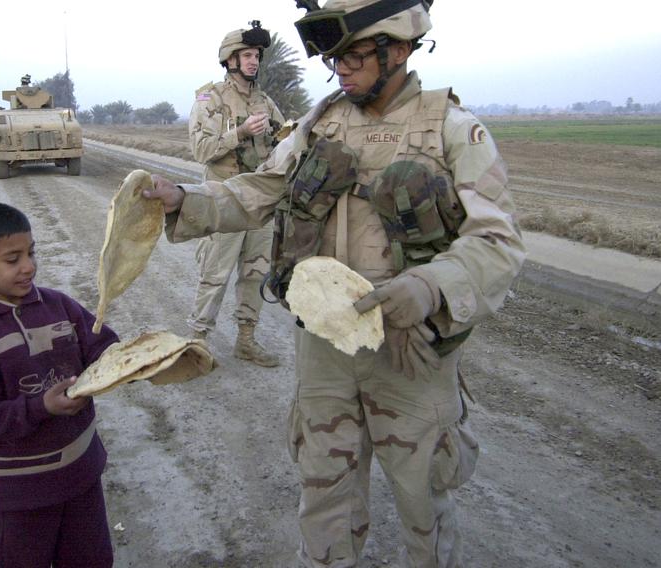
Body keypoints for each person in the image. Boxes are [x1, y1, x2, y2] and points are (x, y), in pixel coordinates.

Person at [143, 1, 526, 566]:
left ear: (397, 50)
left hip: (410, 352)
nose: (338, 69)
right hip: (325, 346)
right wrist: (184, 198)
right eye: (332, 58)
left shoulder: (451, 128)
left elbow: (498, 241)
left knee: (423, 502)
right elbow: (258, 190)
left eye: (352, 55)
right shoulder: (318, 124)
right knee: (324, 494)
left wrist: (430, 287)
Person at [0, 202, 118, 568]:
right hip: (25, 490)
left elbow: (103, 346)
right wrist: (41, 406)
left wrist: (130, 361)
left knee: (92, 558)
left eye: (31, 253)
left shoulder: (61, 306)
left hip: (82, 473)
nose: (29, 266)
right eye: (13, 259)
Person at [186, 20, 286, 367]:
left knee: (255, 272)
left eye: (256, 55)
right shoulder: (209, 97)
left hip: (258, 199)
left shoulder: (265, 101)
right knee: (215, 273)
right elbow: (201, 149)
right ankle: (197, 343)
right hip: (225, 198)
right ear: (230, 60)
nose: (253, 61)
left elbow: (283, 142)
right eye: (246, 54)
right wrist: (240, 132)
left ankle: (246, 339)